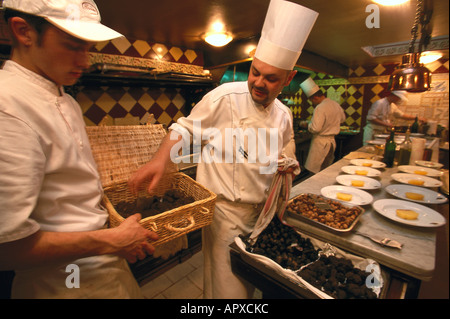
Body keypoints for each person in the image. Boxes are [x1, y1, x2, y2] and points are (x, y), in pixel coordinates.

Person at [129, 0, 318, 299]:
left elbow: (286, 144)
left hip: (262, 215)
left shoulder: (284, 113)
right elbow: (184, 128)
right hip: (225, 216)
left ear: (289, 79)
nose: (258, 82)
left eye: (271, 79)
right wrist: (160, 159)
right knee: (229, 293)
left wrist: (287, 160)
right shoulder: (224, 97)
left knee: (250, 286)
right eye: (255, 72)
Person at [0, 0, 158, 299]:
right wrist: (111, 240)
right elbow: (7, 248)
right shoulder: (7, 106)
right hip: (61, 282)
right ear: (23, 31)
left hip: (102, 266)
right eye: (73, 46)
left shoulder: (66, 99)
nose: (85, 62)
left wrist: (115, 239)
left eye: (87, 48)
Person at [299, 78, 346, 174]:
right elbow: (342, 119)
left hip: (321, 144)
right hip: (331, 143)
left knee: (314, 171)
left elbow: (315, 128)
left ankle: (313, 188)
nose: (312, 103)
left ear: (315, 97)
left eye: (311, 100)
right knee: (325, 169)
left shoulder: (320, 107)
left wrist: (307, 124)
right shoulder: (335, 104)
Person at [363, 90, 427, 145]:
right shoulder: (379, 103)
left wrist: (417, 118)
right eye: (399, 98)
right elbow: (371, 118)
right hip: (372, 131)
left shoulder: (392, 105)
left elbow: (402, 115)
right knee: (368, 149)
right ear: (395, 96)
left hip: (381, 132)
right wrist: (387, 124)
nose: (399, 100)